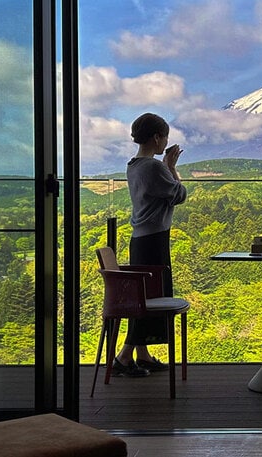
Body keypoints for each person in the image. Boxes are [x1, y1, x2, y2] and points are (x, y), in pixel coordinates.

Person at [112, 112, 188, 377]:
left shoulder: (133, 165)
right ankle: (123, 357)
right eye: (164, 137)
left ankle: (141, 355)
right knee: (149, 300)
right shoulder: (153, 167)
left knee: (145, 298)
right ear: (157, 138)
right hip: (154, 241)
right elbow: (179, 194)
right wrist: (171, 166)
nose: (164, 142)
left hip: (141, 241)